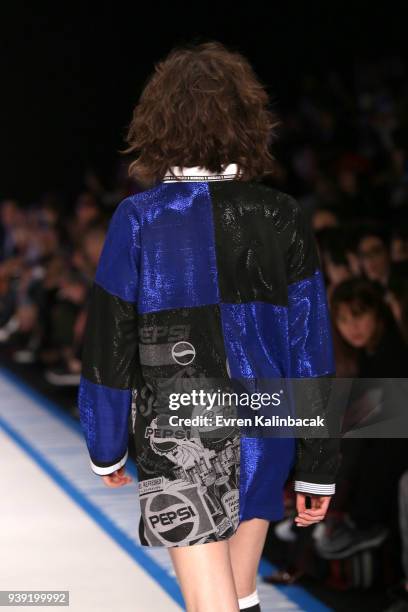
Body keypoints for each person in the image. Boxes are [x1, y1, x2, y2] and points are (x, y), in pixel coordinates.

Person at [77, 41, 340, 612]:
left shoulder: (140, 218)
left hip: (183, 433)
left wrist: (106, 444)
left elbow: (108, 343)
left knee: (215, 605)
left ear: (159, 122)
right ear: (248, 121)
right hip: (266, 424)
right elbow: (311, 349)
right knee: (239, 598)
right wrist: (318, 466)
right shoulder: (281, 216)